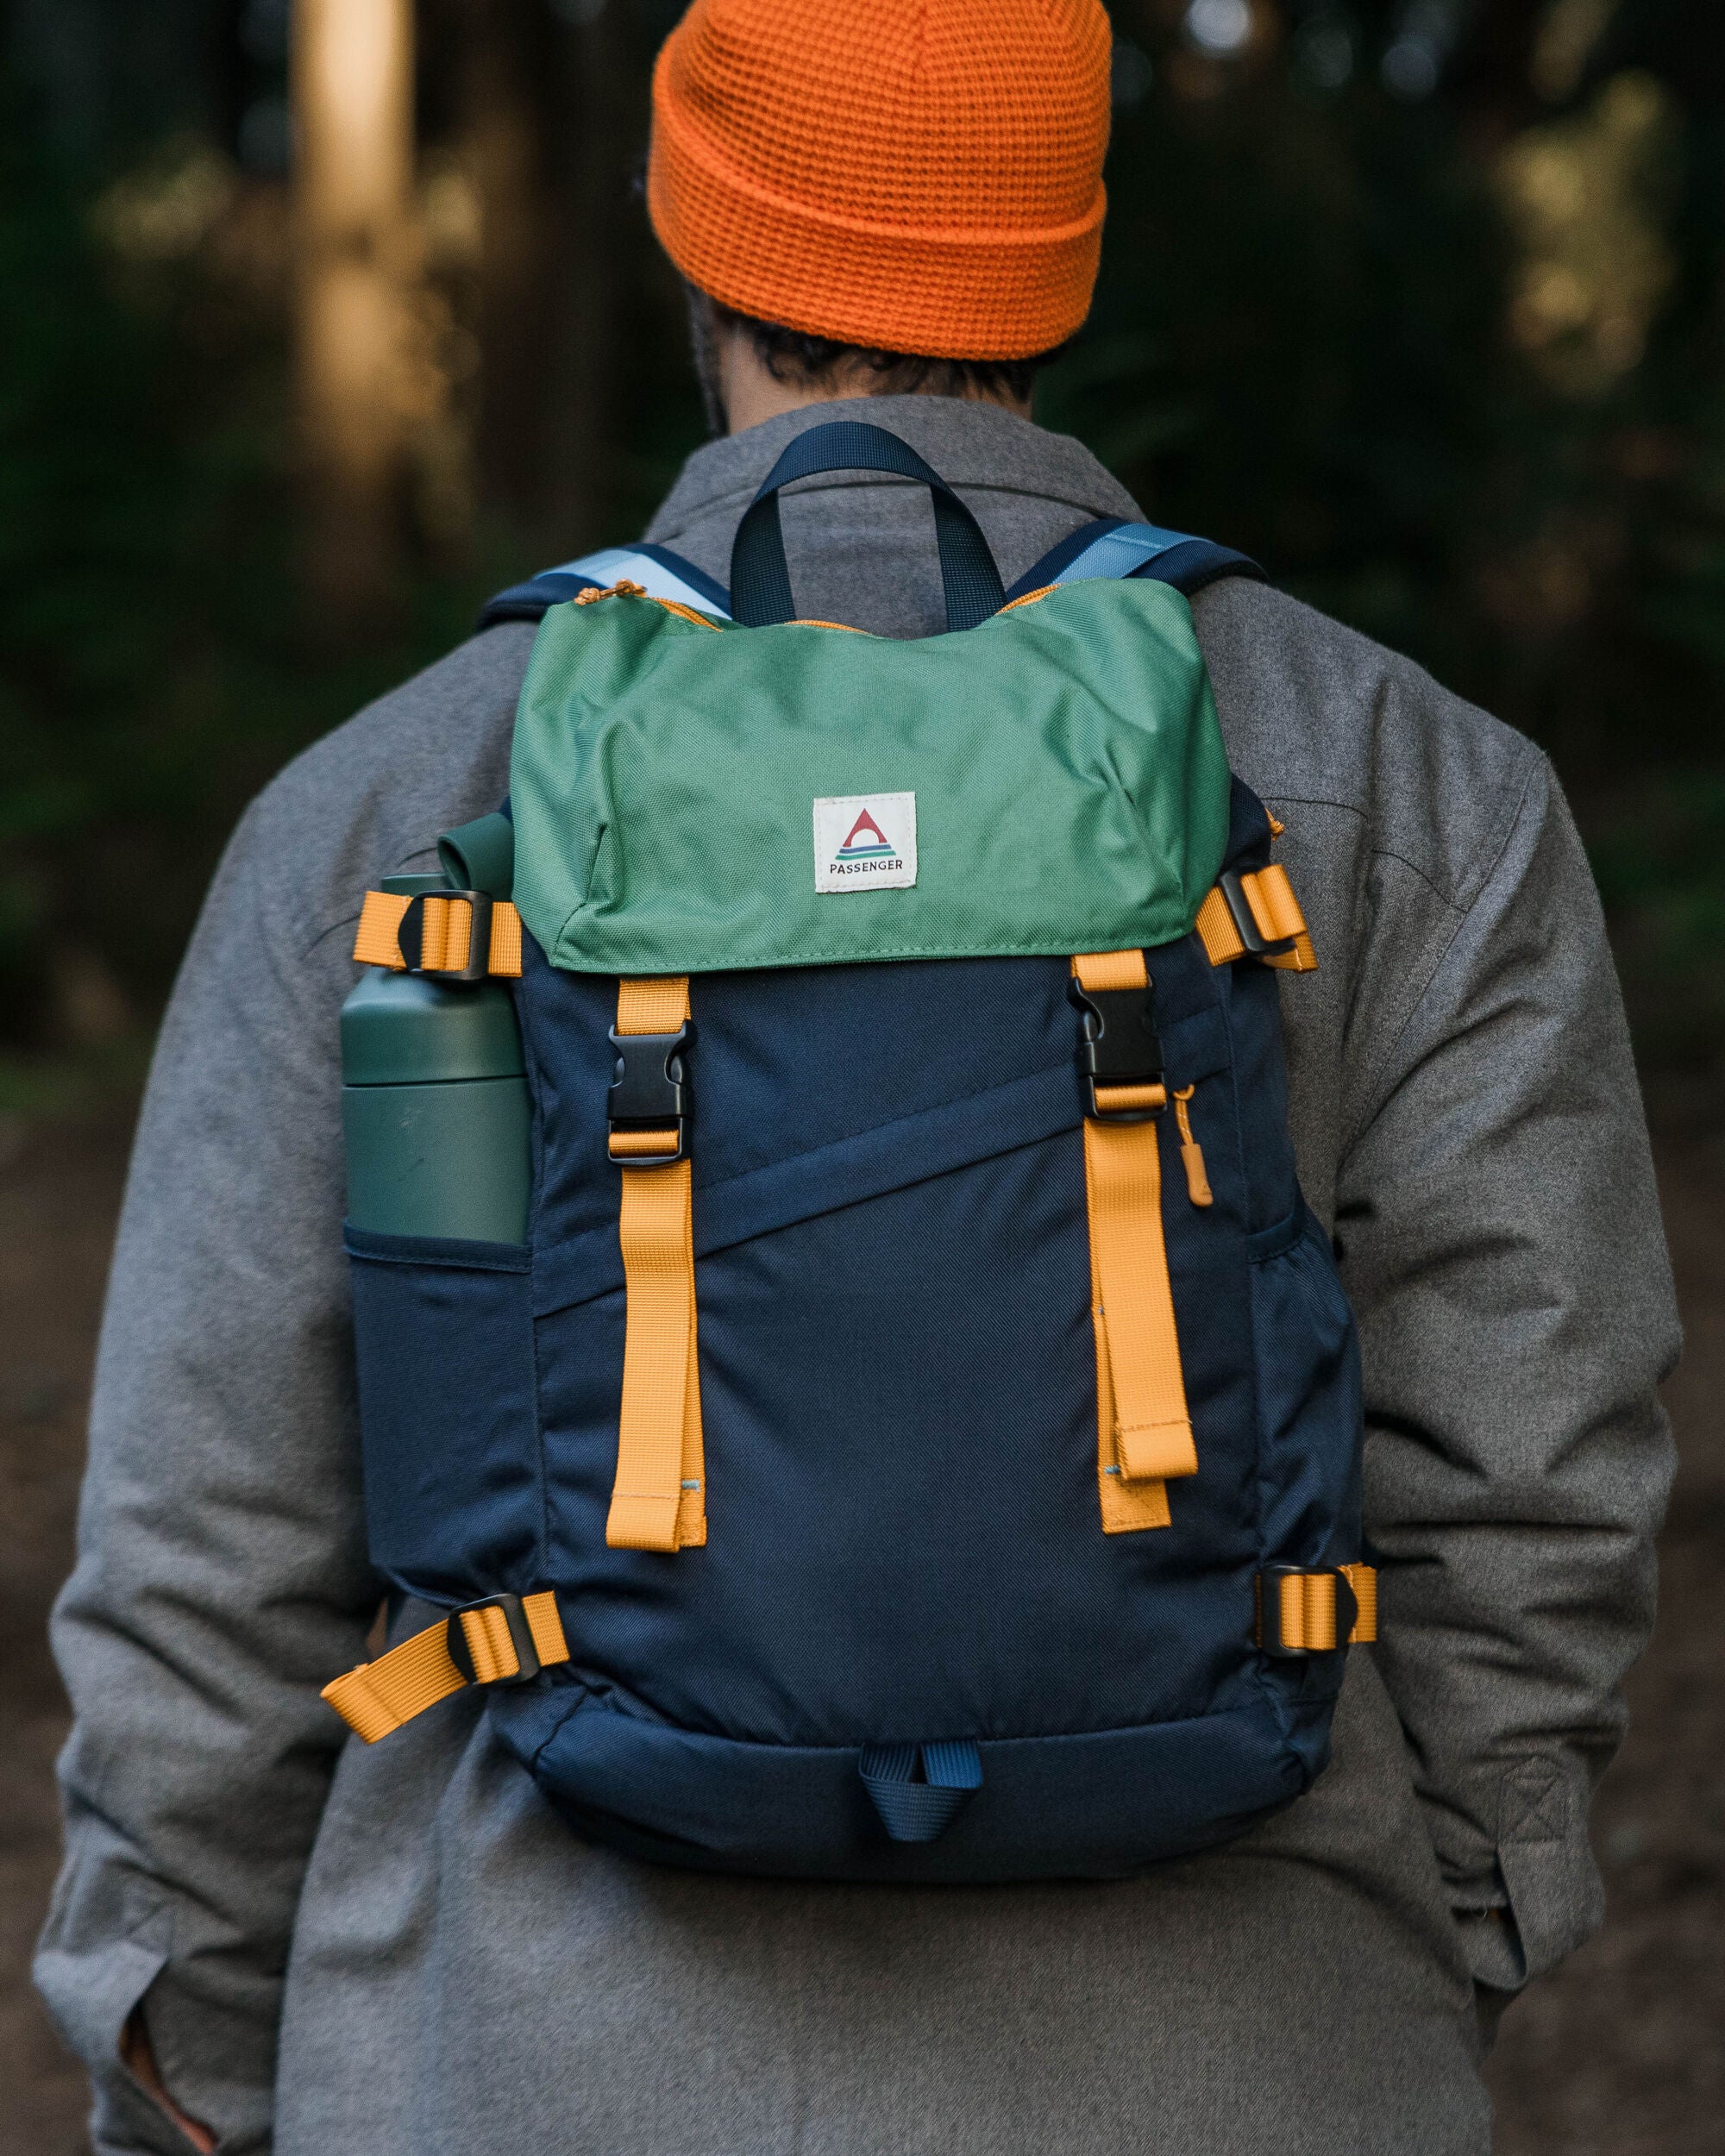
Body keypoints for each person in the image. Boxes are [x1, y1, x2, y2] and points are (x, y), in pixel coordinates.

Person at [37, 1, 1678, 2150]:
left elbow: (206, 1552)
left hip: (522, 2060)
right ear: (1062, 253)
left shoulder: (389, 806)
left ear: (687, 233)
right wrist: (1427, 1932)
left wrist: (185, 2056)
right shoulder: (1416, 785)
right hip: (1244, 2059)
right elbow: (1539, 1467)